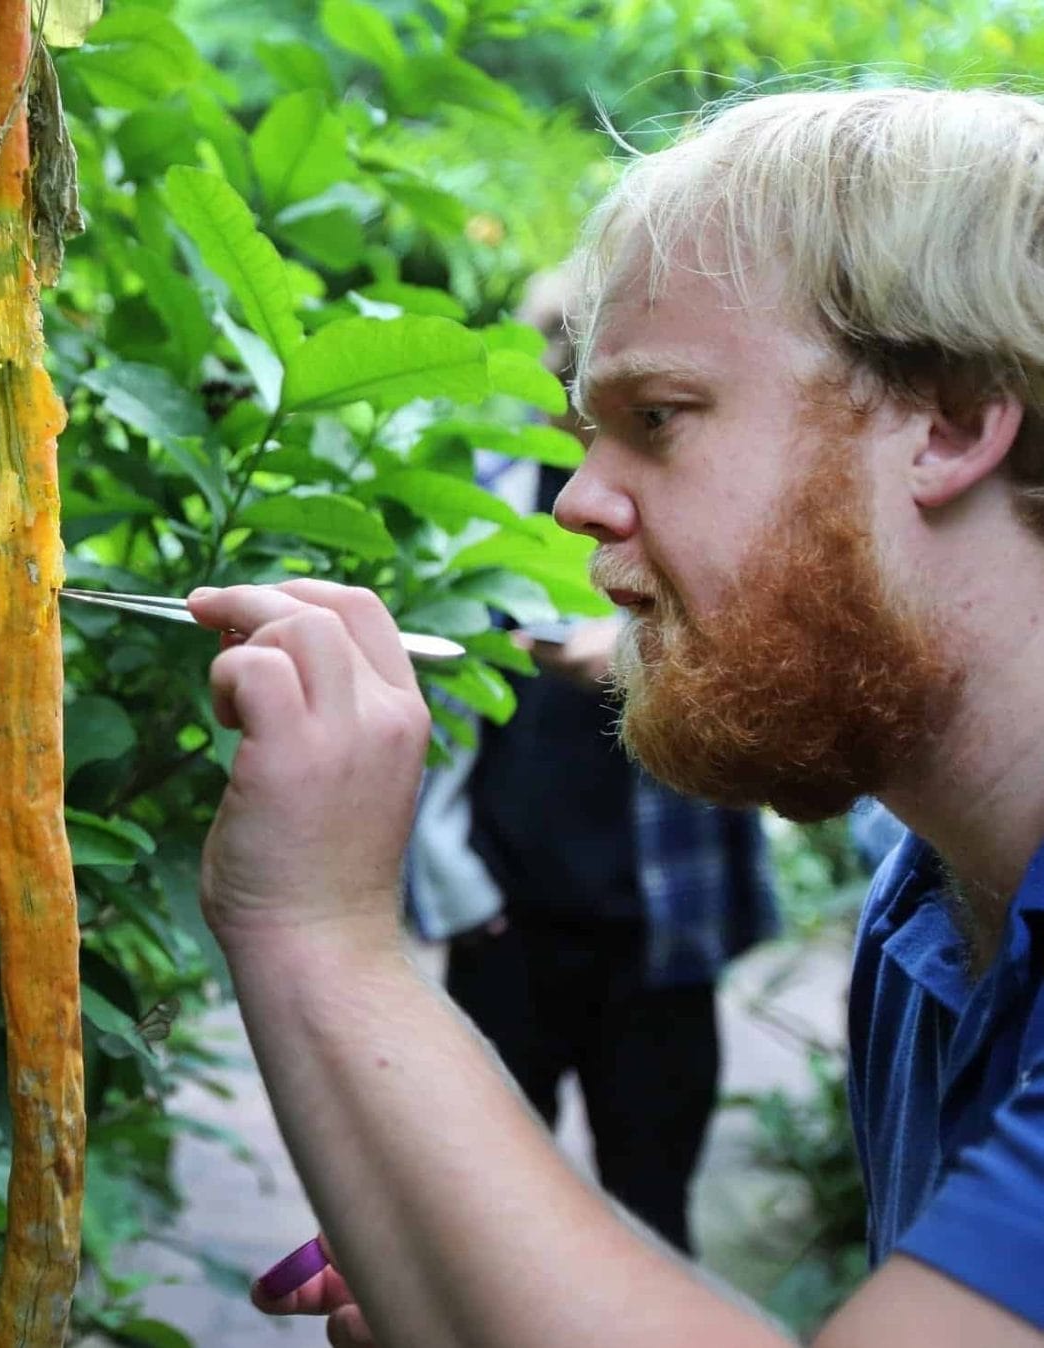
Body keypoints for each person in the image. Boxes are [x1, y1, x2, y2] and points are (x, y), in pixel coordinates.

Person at [186, 86, 1044, 1347]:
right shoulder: (929, 914)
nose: (581, 500)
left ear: (954, 423)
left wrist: (316, 926)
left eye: (658, 418)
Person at [409, 272, 776, 1253]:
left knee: (651, 1209)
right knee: (480, 1213)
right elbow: (441, 701)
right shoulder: (495, 492)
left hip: (658, 925)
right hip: (510, 919)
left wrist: (624, 660)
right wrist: (459, 892)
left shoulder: (711, 495)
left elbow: (769, 666)